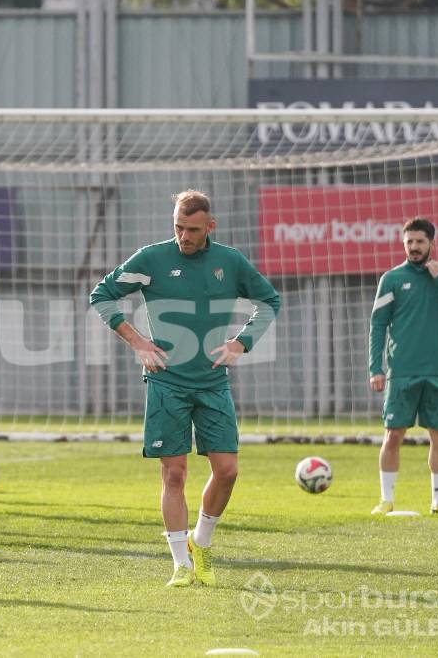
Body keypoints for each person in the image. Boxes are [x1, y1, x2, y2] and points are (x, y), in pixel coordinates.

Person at [89, 189, 280, 588]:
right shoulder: (151, 259)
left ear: (210, 226)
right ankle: (180, 564)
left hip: (212, 382)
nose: (183, 236)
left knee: (227, 471)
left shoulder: (230, 262)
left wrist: (241, 342)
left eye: (192, 229)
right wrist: (137, 342)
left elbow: (268, 301)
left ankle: (201, 542)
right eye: (178, 227)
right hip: (167, 382)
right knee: (173, 474)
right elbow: (102, 295)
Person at [368, 217, 438, 518]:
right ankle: (386, 500)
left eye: (420, 242)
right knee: (393, 435)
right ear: (404, 244)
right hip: (401, 372)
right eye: (409, 242)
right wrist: (375, 368)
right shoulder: (391, 279)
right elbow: (378, 325)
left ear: (431, 244)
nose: (414, 247)